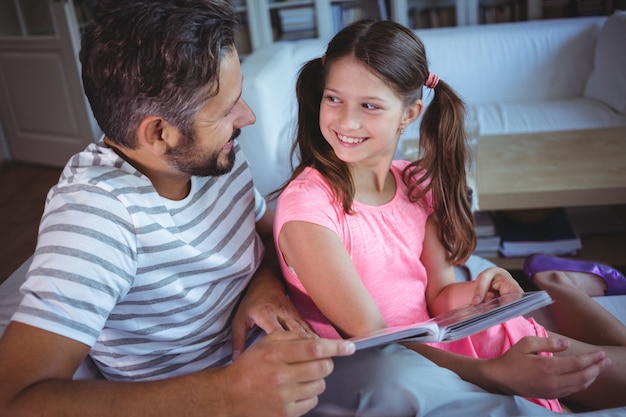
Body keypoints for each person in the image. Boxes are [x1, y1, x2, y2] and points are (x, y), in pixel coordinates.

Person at [0, 1, 355, 416]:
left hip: (286, 358)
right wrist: (228, 392)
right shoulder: (96, 217)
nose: (249, 117)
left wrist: (263, 284)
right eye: (227, 110)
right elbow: (14, 398)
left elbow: (276, 235)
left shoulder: (215, 155)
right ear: (159, 133)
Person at [273, 18, 626, 412]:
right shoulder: (309, 210)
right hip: (397, 362)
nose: (345, 121)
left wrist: (481, 293)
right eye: (334, 99)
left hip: (444, 339)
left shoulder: (416, 182)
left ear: (409, 114)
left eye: (369, 106)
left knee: (601, 366)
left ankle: (553, 281)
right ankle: (557, 281)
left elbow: (438, 294)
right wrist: (496, 372)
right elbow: (378, 340)